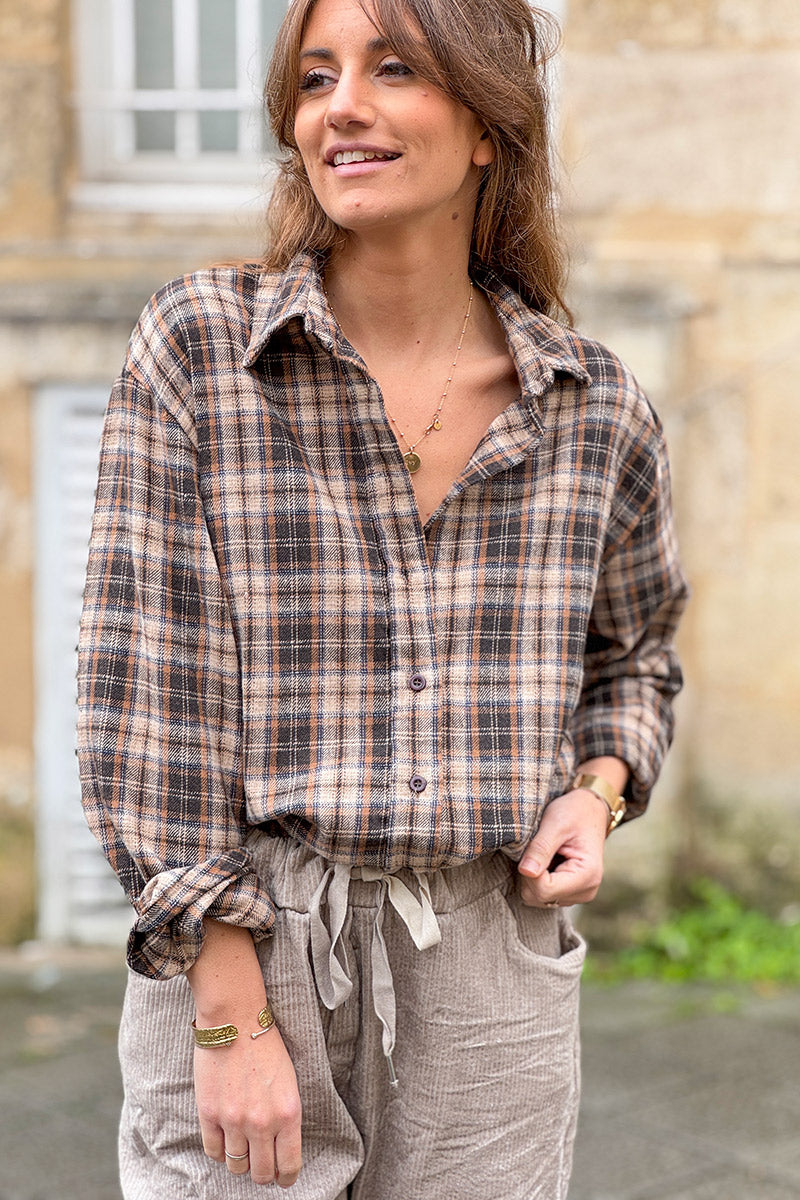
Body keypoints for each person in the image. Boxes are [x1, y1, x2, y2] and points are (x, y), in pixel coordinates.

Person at [77, 0, 688, 1197]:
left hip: (487, 971)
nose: (340, 109)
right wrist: (229, 1013)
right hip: (250, 940)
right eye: (315, 79)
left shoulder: (592, 407)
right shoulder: (201, 350)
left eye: (392, 68)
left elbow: (636, 652)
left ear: (486, 123)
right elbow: (149, 698)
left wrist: (598, 789)